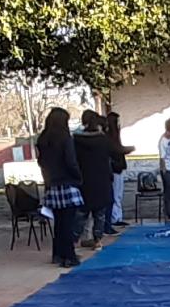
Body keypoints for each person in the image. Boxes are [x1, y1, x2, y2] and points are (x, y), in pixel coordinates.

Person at [36, 106, 84, 267]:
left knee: (59, 222)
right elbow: (71, 161)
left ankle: (58, 254)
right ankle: (69, 256)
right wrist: (78, 177)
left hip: (52, 184)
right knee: (68, 223)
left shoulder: (43, 139)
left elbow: (41, 162)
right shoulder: (65, 138)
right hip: (67, 183)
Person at [73, 109, 120, 247]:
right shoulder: (103, 140)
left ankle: (74, 240)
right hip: (102, 180)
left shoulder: (76, 140)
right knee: (99, 213)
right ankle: (97, 240)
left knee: (81, 214)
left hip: (84, 181)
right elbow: (116, 151)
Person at [106, 111, 135, 228]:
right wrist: (129, 149)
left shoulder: (114, 135)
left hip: (118, 167)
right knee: (116, 194)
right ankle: (115, 218)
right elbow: (117, 150)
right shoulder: (110, 136)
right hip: (115, 169)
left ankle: (117, 217)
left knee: (118, 194)